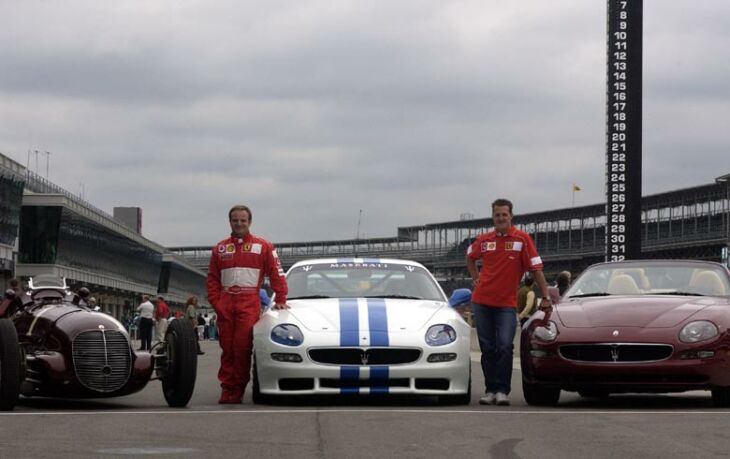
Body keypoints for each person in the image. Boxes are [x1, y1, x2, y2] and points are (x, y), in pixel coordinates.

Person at [466, 198, 551, 406]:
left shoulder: (522, 239)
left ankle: (502, 390)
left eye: (504, 214)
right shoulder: (484, 239)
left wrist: (546, 295)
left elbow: (535, 268)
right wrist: (475, 277)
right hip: (481, 301)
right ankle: (490, 390)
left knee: (504, 345)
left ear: (511, 216)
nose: (501, 218)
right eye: (497, 215)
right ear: (492, 217)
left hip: (506, 304)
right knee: (487, 347)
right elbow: (469, 256)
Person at [207, 204, 289, 404]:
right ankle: (227, 387)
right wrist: (217, 303)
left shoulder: (264, 246)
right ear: (230, 222)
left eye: (243, 220)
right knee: (227, 348)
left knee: (242, 347)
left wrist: (281, 299)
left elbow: (277, 274)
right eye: (235, 220)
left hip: (249, 302)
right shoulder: (219, 248)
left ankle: (239, 388)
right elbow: (212, 279)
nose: (239, 223)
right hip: (226, 302)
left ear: (249, 222)